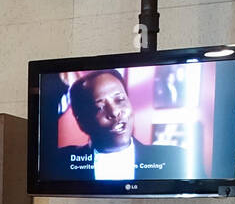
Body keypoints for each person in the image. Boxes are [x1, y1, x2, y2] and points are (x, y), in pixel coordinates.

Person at [56, 70, 186, 180]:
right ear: (82, 122)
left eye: (119, 100)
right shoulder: (60, 163)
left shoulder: (176, 159)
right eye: (99, 107)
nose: (114, 112)